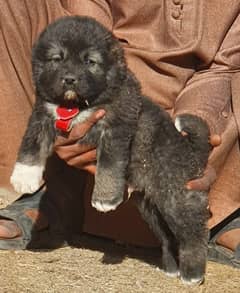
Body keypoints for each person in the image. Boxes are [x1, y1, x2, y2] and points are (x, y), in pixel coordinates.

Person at [0, 0, 239, 267]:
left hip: (178, 124)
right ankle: (50, 193)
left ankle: (218, 212)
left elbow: (223, 67)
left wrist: (196, 128)